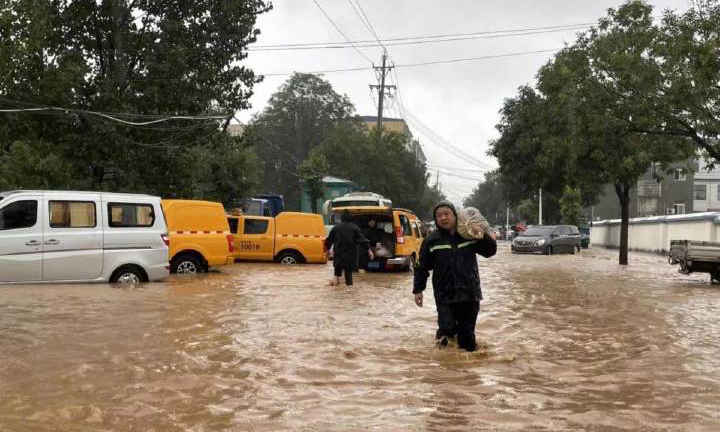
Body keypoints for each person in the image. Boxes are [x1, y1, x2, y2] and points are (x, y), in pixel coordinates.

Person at [413, 201, 497, 351]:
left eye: (446, 214)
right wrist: (418, 290)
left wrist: (482, 236)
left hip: (470, 293)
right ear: (436, 219)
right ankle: (445, 368)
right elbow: (422, 267)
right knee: (447, 331)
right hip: (444, 295)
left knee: (467, 341)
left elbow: (490, 251)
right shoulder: (432, 240)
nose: (443, 218)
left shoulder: (468, 234)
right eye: (439, 216)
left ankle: (466, 371)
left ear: (454, 215)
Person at [325, 210, 374, 286]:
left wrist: (327, 250)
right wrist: (369, 250)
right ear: (350, 218)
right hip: (350, 256)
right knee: (349, 277)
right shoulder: (355, 228)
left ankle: (335, 286)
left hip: (338, 255)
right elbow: (363, 240)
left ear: (342, 218)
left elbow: (329, 240)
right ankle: (349, 291)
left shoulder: (336, 227)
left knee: (336, 274)